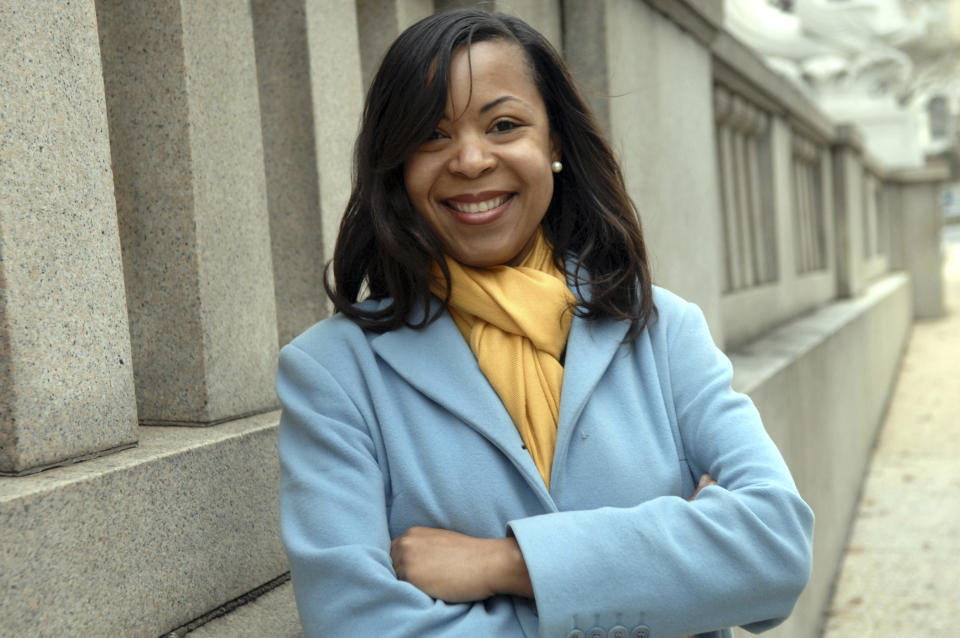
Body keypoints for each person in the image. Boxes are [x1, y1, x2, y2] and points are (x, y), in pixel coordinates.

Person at [277, 9, 814, 638]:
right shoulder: (334, 373)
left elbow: (774, 548)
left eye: (504, 125)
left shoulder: (662, 330)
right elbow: (355, 625)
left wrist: (507, 563)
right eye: (432, 135)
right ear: (396, 164)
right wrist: (670, 575)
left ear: (554, 143)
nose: (472, 160)